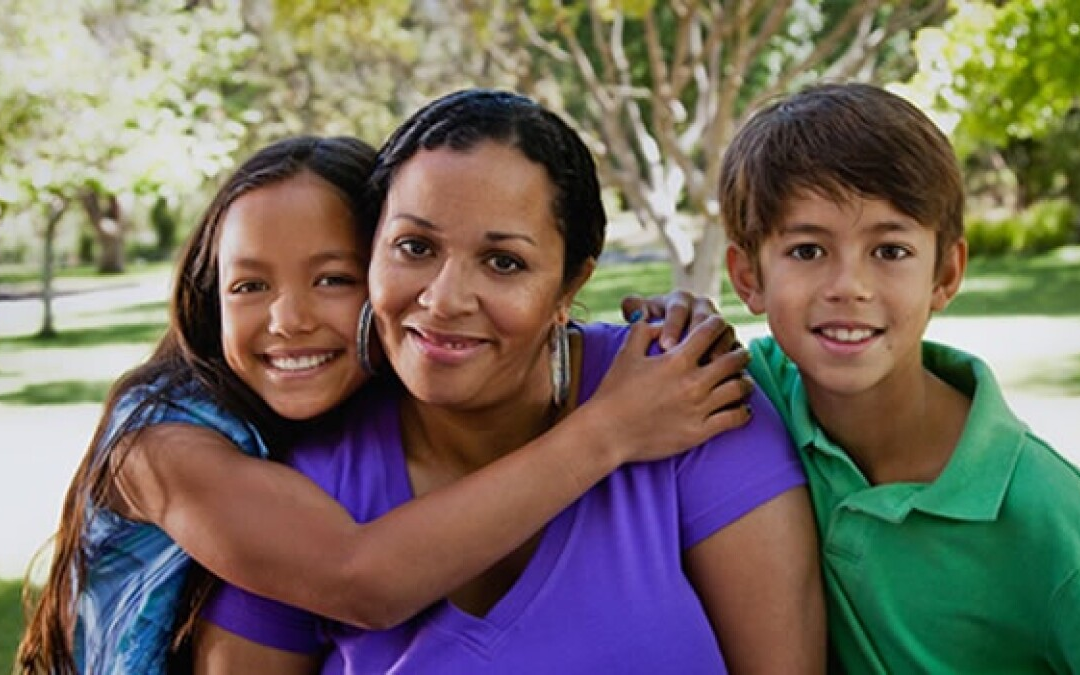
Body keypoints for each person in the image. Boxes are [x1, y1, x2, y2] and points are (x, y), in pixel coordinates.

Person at [17, 135, 754, 675]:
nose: (288, 319)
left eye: (332, 279)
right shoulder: (163, 444)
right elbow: (358, 579)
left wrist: (659, 327)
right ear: (208, 298)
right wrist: (611, 430)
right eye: (249, 286)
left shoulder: (363, 393)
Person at [195, 89, 825, 674]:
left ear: (570, 285)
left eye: (504, 262)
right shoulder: (305, 485)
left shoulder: (691, 399)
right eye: (415, 247)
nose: (444, 300)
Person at [721, 82, 1080, 673]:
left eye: (889, 251)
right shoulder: (749, 393)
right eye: (808, 251)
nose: (848, 286)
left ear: (945, 273)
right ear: (747, 276)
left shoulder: (1045, 517)